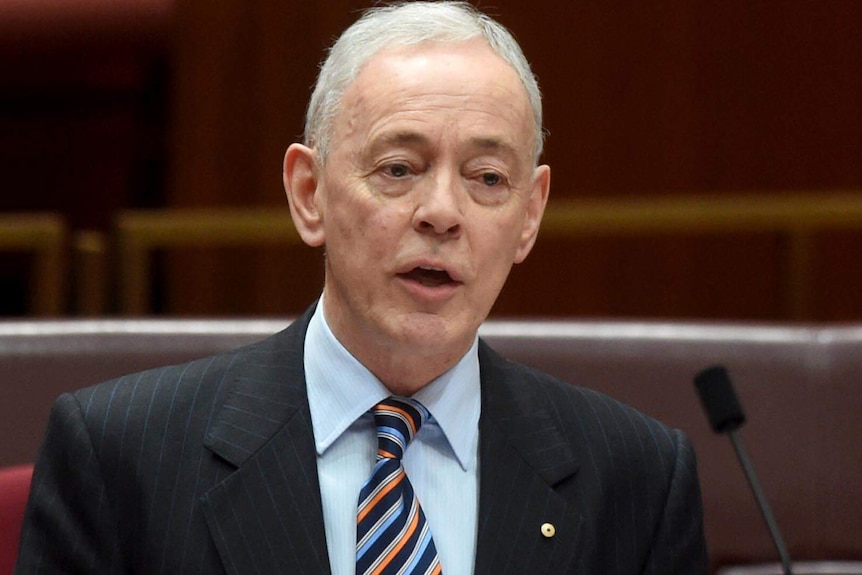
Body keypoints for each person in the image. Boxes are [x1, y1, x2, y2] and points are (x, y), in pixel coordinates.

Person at [16, 2, 708, 574]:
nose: (442, 211)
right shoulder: (122, 458)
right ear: (309, 193)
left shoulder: (635, 478)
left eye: (488, 179)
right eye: (399, 168)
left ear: (530, 214)